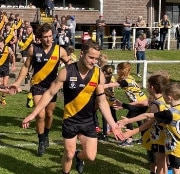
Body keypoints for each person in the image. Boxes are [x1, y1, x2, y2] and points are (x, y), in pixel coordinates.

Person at [21, 40, 124, 174]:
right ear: (81, 54)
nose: (93, 61)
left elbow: (102, 102)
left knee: (91, 156)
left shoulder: (98, 75)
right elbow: (50, 93)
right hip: (70, 120)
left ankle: (78, 156)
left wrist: (113, 125)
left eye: (96, 59)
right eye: (91, 57)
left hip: (88, 121)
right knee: (68, 154)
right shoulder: (67, 72)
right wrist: (33, 114)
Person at [12, 23, 70, 157]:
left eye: (50, 36)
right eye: (45, 37)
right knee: (40, 114)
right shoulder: (34, 49)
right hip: (37, 86)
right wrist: (17, 82)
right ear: (40, 37)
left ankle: (46, 134)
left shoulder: (60, 50)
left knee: (49, 115)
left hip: (52, 87)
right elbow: (26, 67)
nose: (48, 39)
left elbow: (69, 64)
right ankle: (41, 141)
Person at [119, 82, 180, 174]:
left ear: (169, 97)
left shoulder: (168, 114)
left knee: (176, 170)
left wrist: (128, 121)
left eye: (163, 95)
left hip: (176, 148)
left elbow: (147, 115)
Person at [105, 62, 148, 147]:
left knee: (128, 119)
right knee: (139, 120)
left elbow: (115, 84)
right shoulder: (129, 78)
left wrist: (102, 85)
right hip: (142, 100)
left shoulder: (125, 81)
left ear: (122, 71)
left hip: (139, 103)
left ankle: (129, 140)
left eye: (117, 69)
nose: (116, 71)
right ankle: (144, 138)